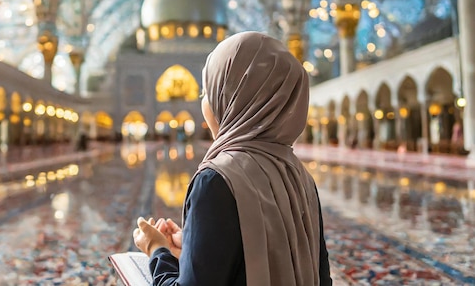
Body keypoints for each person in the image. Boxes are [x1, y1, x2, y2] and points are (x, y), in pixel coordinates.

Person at [132, 31, 332, 285]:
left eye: (207, 92)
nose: (205, 103)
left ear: (229, 99)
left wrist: (156, 250)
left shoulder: (217, 180)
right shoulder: (300, 177)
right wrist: (197, 248)